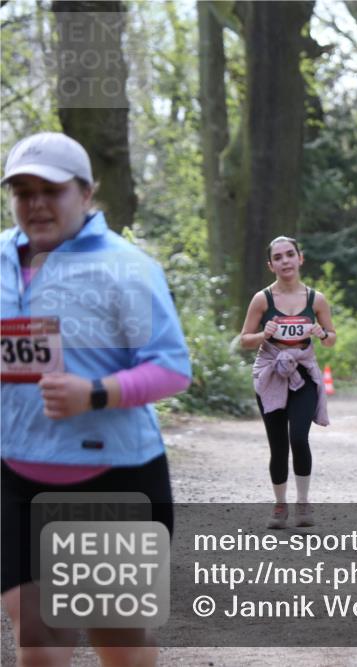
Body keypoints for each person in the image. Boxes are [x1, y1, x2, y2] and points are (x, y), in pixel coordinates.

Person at [0, 132, 192, 665]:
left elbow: (173, 368)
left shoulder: (127, 269)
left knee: (118, 643)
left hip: (113, 479)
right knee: (40, 640)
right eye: (22, 190)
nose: (35, 203)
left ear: (86, 194)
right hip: (15, 477)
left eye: (51, 190)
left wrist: (97, 393)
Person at [240, 236, 335, 529]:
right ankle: (280, 505)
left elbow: (331, 340)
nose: (285, 261)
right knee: (278, 445)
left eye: (289, 255)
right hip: (270, 374)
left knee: (298, 439)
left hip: (303, 375)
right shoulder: (262, 299)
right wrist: (263, 335)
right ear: (271, 265)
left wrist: (321, 333)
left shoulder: (316, 299)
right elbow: (244, 340)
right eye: (278, 257)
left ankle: (303, 503)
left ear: (300, 258)